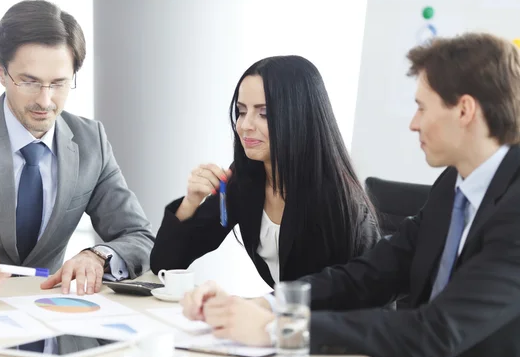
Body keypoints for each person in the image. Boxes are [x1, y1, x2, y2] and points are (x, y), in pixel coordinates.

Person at [181, 32, 520, 357]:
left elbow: (437, 330)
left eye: (421, 107)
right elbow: (368, 274)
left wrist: (277, 329)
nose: (413, 123)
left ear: (464, 110)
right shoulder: (453, 185)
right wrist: (266, 305)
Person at [0, 0, 154, 301]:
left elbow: (140, 237)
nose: (45, 101)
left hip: (48, 317)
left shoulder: (90, 141)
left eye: (59, 83)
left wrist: (97, 255)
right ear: (0, 72)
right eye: (29, 82)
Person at [150, 55, 379, 287]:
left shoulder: (340, 203)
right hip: (280, 317)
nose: (245, 125)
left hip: (324, 322)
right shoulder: (244, 180)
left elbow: (364, 303)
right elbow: (165, 265)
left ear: (299, 117)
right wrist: (190, 202)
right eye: (241, 111)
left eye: (264, 113)